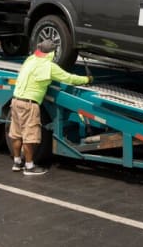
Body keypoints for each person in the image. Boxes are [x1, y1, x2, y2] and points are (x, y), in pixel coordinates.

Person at [10, 39, 92, 175]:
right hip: (29, 104)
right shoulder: (49, 67)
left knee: (16, 134)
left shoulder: (30, 59)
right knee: (29, 137)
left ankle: (17, 162)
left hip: (16, 100)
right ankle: (29, 167)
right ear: (52, 53)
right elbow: (69, 78)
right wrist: (87, 79)